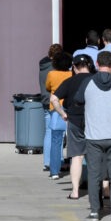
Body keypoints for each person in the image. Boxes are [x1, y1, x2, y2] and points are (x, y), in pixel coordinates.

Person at [75, 51, 111, 221]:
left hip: (93, 136)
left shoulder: (87, 82)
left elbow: (77, 100)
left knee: (94, 174)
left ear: (97, 64)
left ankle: (95, 212)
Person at [51, 54, 95, 200]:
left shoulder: (69, 81)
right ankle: (102, 189)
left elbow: (54, 98)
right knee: (95, 155)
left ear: (74, 67)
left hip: (74, 120)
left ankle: (75, 191)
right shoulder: (95, 80)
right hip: (93, 121)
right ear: (89, 65)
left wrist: (63, 113)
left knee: (76, 156)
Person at [44, 53, 73, 180]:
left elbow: (47, 87)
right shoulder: (72, 75)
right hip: (70, 108)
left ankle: (54, 171)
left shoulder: (51, 74)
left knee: (56, 140)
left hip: (56, 109)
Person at [39, 43, 62, 173]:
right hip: (55, 102)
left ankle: (47, 162)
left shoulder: (42, 66)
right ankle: (57, 160)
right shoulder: (55, 69)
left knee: (48, 132)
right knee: (58, 132)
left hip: (44, 100)